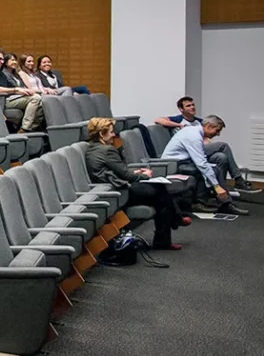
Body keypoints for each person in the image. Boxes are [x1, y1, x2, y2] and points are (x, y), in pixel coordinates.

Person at [85, 117, 183, 250]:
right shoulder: (108, 150)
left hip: (109, 189)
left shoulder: (92, 148)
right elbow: (125, 175)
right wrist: (144, 175)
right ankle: (172, 225)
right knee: (160, 191)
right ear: (102, 134)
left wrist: (135, 172)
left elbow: (115, 170)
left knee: (160, 194)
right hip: (118, 191)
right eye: (111, 132)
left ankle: (175, 220)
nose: (114, 135)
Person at [156, 98, 255, 193]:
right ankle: (237, 179)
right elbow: (158, 120)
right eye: (188, 106)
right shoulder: (178, 119)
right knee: (223, 146)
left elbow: (204, 138)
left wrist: (206, 142)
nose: (192, 107)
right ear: (181, 109)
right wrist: (178, 125)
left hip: (196, 149)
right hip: (182, 156)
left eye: (193, 105)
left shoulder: (199, 122)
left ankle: (222, 190)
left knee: (221, 157)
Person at [0, 48, 44, 132]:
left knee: (41, 101)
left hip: (9, 99)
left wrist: (23, 90)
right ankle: (25, 129)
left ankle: (32, 128)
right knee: (35, 98)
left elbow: (10, 86)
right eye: (0, 59)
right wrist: (16, 90)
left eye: (3, 60)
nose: (2, 62)